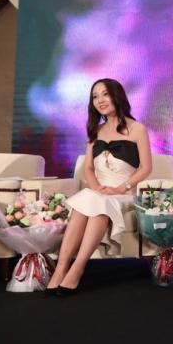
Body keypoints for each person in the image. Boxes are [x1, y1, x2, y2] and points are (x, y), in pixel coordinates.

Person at [45, 78, 151, 296]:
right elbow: (89, 169)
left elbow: (146, 168)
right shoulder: (95, 131)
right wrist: (96, 188)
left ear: (117, 96)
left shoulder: (137, 128)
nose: (100, 100)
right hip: (100, 192)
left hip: (124, 193)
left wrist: (120, 188)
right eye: (95, 96)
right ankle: (61, 268)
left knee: (97, 203)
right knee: (88, 200)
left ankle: (78, 268)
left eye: (105, 94)